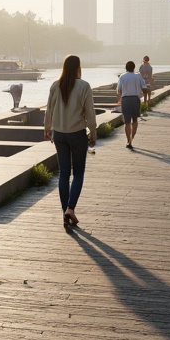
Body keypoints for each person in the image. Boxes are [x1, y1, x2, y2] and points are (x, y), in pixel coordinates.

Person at [43, 54, 97, 230]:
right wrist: (94, 133)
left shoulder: (55, 85)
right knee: (78, 173)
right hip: (77, 134)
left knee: (64, 173)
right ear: (78, 67)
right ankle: (70, 208)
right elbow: (90, 113)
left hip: (59, 135)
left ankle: (64, 212)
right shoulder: (84, 86)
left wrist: (46, 129)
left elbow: (49, 109)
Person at [116, 60, 145, 150]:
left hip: (126, 100)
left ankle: (128, 140)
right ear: (134, 68)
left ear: (126, 67)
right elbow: (144, 86)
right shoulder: (138, 75)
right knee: (135, 120)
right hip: (135, 99)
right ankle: (131, 140)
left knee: (127, 121)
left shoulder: (122, 76)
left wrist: (119, 101)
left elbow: (119, 90)